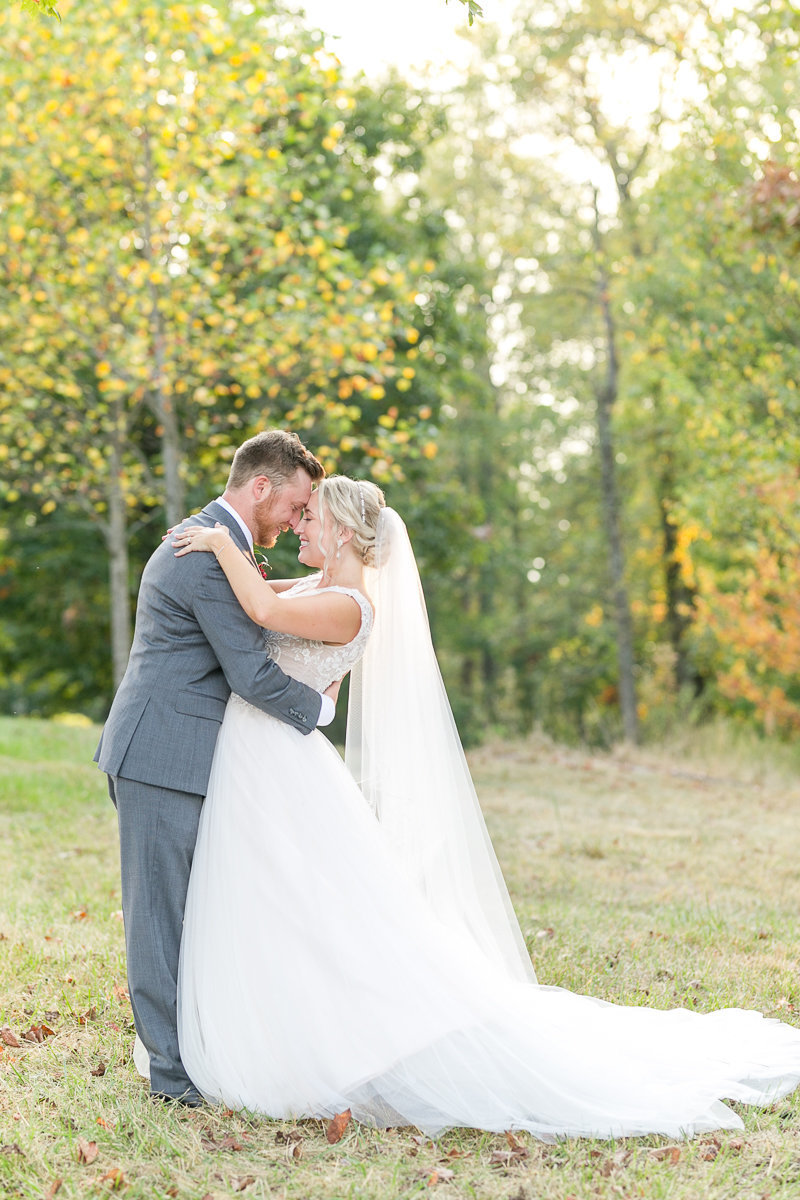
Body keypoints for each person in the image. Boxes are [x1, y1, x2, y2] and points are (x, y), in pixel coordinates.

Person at [162, 475, 800, 1139]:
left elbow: (260, 611)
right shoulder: (321, 589)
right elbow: (256, 603)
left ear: (344, 533)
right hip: (262, 761)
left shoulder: (350, 605)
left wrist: (215, 539)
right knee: (284, 903)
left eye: (311, 519)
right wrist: (226, 554)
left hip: (277, 764)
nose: (300, 527)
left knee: (316, 909)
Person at [94, 429, 339, 1107]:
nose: (295, 519)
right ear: (260, 486)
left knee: (195, 912)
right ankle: (173, 1080)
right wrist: (318, 714)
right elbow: (253, 674)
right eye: (293, 505)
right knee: (159, 919)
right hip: (161, 756)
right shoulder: (202, 552)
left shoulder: (220, 545)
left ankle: (192, 1051)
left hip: (188, 756)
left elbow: (267, 607)